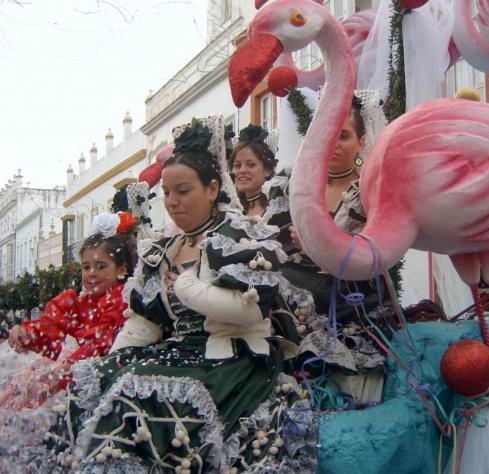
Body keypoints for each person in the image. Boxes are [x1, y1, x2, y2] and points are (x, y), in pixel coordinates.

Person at [46, 117, 312, 473]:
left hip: (233, 359)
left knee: (134, 398)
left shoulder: (237, 237)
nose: (172, 202)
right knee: (91, 381)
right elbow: (143, 325)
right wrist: (115, 361)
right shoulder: (163, 251)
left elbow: (249, 312)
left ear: (212, 189)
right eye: (167, 193)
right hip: (180, 354)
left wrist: (188, 288)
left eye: (183, 192)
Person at [279, 94, 396, 409]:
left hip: (351, 307)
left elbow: (379, 253)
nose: (333, 144)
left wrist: (319, 249)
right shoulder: (296, 187)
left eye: (343, 136)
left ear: (361, 142)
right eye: (327, 135)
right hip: (294, 309)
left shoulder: (370, 192)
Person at [0, 215, 135, 409]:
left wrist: (66, 367)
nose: (91, 273)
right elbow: (51, 326)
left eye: (101, 266)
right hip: (78, 368)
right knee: (28, 380)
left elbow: (100, 342)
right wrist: (26, 334)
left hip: (104, 376)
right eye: (86, 267)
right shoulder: (80, 302)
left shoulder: (122, 300)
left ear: (121, 270)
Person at [230, 124, 278, 217]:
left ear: (267, 170)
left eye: (251, 165)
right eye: (237, 165)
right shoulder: (232, 213)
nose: (242, 170)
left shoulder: (277, 211)